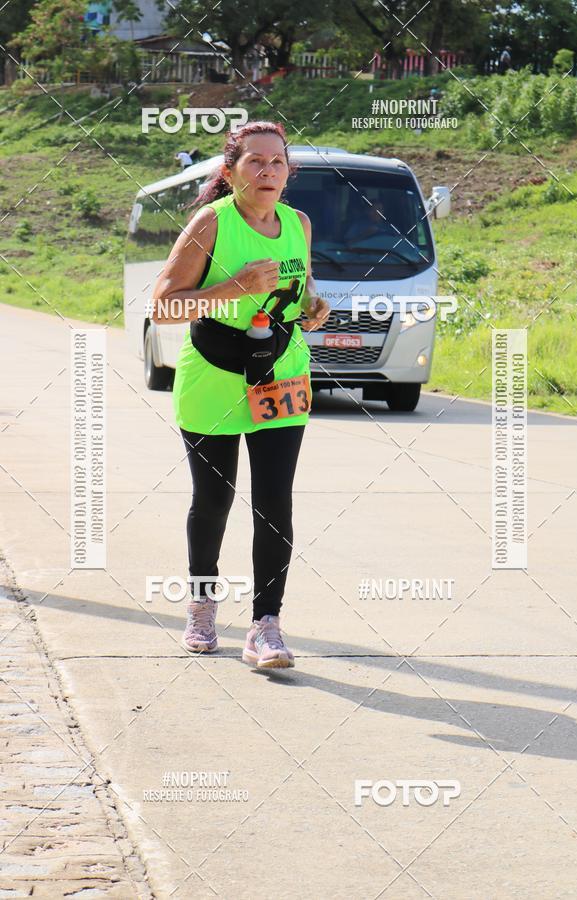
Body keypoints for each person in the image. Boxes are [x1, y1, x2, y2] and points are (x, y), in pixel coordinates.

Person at [152, 121, 330, 669]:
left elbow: (302, 291)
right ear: (230, 173)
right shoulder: (211, 223)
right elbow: (165, 306)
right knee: (214, 499)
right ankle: (202, 606)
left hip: (281, 370)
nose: (268, 171)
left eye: (278, 162)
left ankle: (266, 626)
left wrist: (312, 308)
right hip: (213, 372)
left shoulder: (298, 223)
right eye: (255, 161)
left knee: (276, 501)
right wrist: (234, 288)